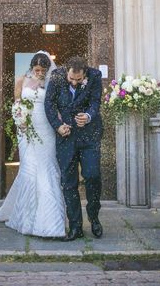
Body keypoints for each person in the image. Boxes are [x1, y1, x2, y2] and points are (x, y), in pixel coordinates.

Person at [0, 51, 65, 237]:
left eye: (43, 70)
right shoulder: (21, 80)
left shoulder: (52, 83)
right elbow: (17, 103)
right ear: (32, 67)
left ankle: (50, 221)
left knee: (46, 167)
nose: (40, 73)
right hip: (26, 129)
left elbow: (56, 107)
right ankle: (25, 217)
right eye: (37, 69)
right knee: (28, 168)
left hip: (46, 128)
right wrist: (20, 119)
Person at [44, 56, 103, 241]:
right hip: (66, 136)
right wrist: (57, 125)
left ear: (84, 72)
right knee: (69, 183)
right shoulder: (56, 76)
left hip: (89, 136)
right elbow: (49, 103)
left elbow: (95, 102)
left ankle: (94, 217)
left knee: (92, 175)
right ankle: (75, 226)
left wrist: (88, 115)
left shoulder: (95, 75)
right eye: (71, 79)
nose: (75, 83)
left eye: (79, 80)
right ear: (66, 70)